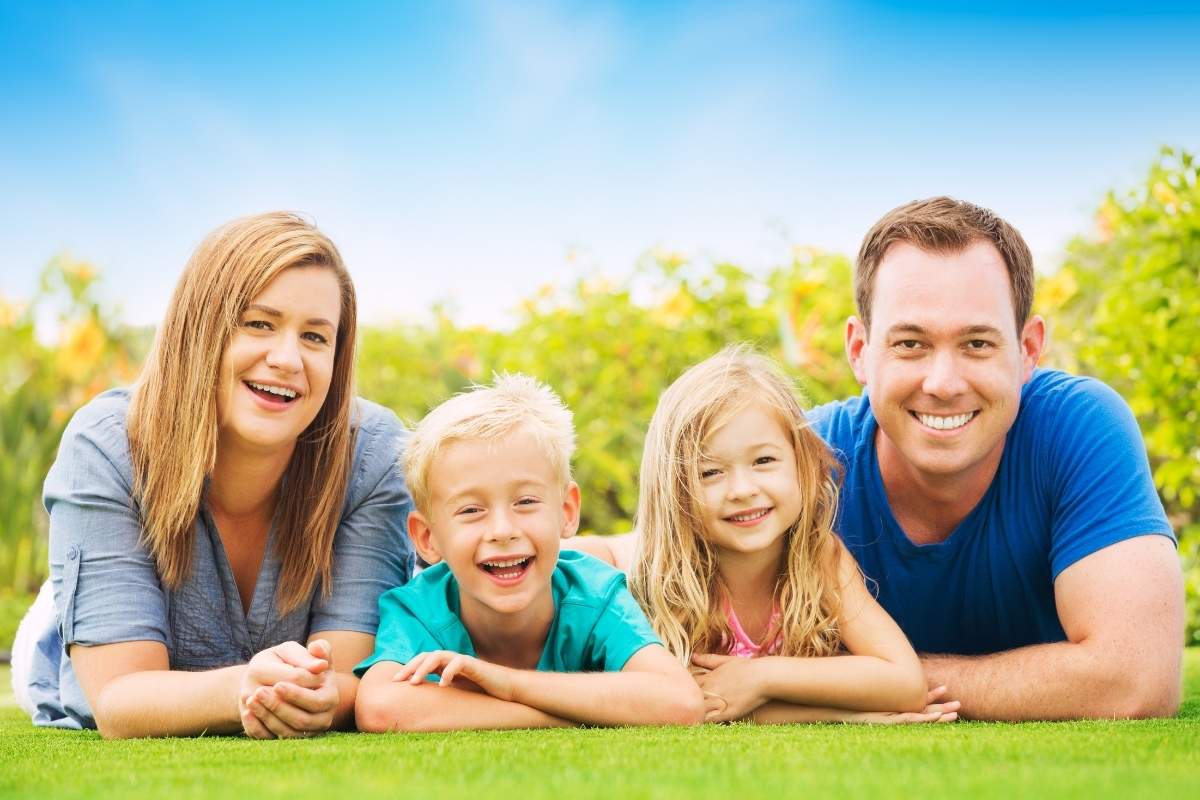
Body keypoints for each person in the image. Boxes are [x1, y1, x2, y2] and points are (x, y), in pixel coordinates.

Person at [16, 212, 413, 738]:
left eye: (316, 337)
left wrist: (320, 696)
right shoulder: (107, 445)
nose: (288, 358)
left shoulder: (373, 453)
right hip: (64, 650)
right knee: (71, 622)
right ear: (199, 329)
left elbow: (346, 677)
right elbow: (118, 700)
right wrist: (245, 687)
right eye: (259, 324)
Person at [808, 196, 1182, 720]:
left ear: (1028, 349)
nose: (942, 383)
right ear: (860, 351)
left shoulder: (1078, 427)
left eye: (978, 344)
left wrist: (877, 681)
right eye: (911, 343)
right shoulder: (800, 463)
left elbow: (1135, 681)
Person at [354, 375, 703, 732]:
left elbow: (679, 701)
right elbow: (381, 707)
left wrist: (507, 683)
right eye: (471, 510)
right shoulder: (419, 609)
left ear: (566, 511)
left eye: (525, 502)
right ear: (427, 538)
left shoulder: (593, 595)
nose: (503, 530)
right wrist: (563, 715)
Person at [628, 347, 958, 724]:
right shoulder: (667, 582)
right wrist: (848, 715)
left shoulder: (820, 559)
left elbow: (904, 682)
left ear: (803, 463)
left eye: (763, 461)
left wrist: (761, 677)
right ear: (674, 492)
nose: (742, 489)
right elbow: (700, 708)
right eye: (710, 472)